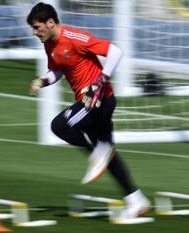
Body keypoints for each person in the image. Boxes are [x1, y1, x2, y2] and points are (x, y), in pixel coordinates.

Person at [27, 2, 150, 218]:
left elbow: (115, 51)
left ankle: (98, 153)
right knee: (109, 156)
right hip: (92, 103)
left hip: (98, 100)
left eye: (37, 27)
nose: (34, 32)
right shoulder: (49, 44)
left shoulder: (75, 38)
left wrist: (101, 80)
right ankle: (136, 200)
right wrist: (42, 80)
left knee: (59, 125)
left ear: (51, 23)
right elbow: (57, 71)